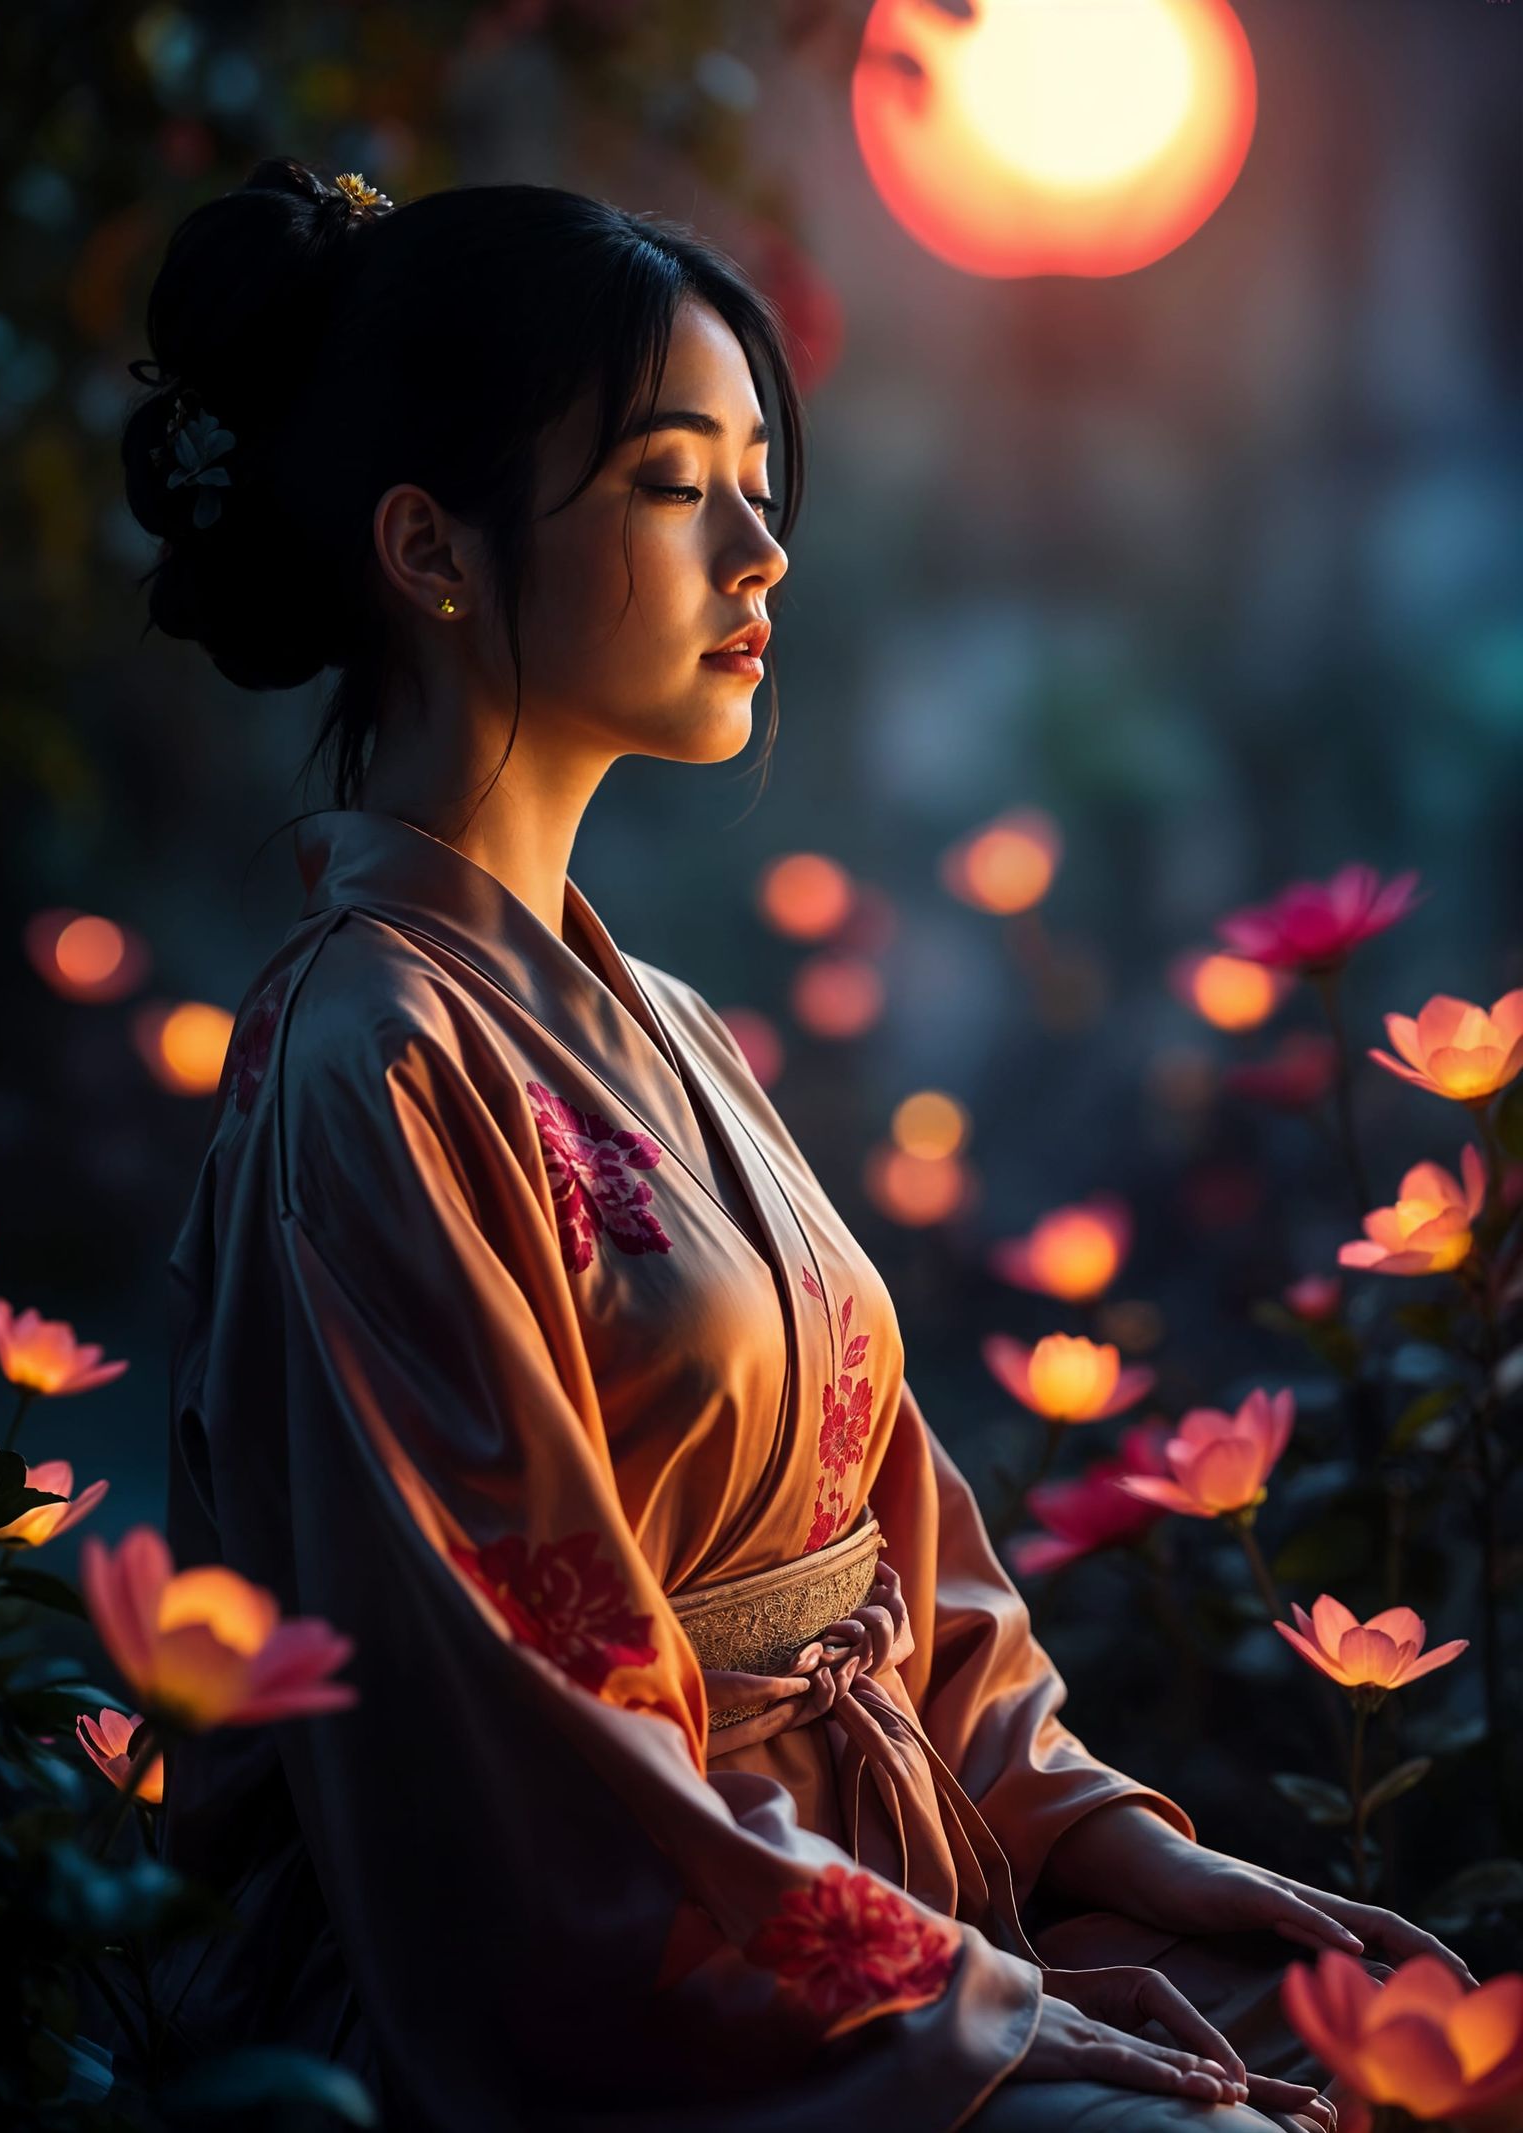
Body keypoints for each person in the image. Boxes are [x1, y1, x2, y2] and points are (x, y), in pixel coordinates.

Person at [121, 160, 1475, 2131]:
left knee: (1400, 2037)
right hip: (657, 1962)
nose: (760, 544)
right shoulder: (370, 1062)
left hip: (881, 1889)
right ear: (428, 545)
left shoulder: (659, 1017)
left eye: (761, 475)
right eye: (677, 483)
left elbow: (896, 1546)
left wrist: (1101, 1833)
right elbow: (516, 1747)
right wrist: (953, 2000)